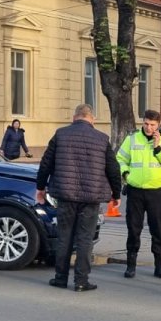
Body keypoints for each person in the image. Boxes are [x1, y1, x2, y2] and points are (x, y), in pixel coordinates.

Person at [36, 104, 121, 292]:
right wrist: (116, 194)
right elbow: (113, 169)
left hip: (65, 195)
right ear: (92, 118)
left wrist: (40, 187)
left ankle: (60, 278)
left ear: (74, 117)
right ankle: (81, 281)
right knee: (85, 238)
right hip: (91, 197)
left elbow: (46, 163)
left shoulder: (60, 134)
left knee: (64, 236)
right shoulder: (101, 139)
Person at [116, 109, 161, 279]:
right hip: (135, 191)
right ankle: (131, 265)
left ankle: (159, 266)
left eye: (152, 124)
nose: (149, 127)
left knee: (157, 229)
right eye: (146, 123)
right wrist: (126, 175)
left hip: (156, 192)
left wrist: (158, 148)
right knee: (133, 228)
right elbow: (120, 158)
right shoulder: (132, 137)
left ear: (159, 124)